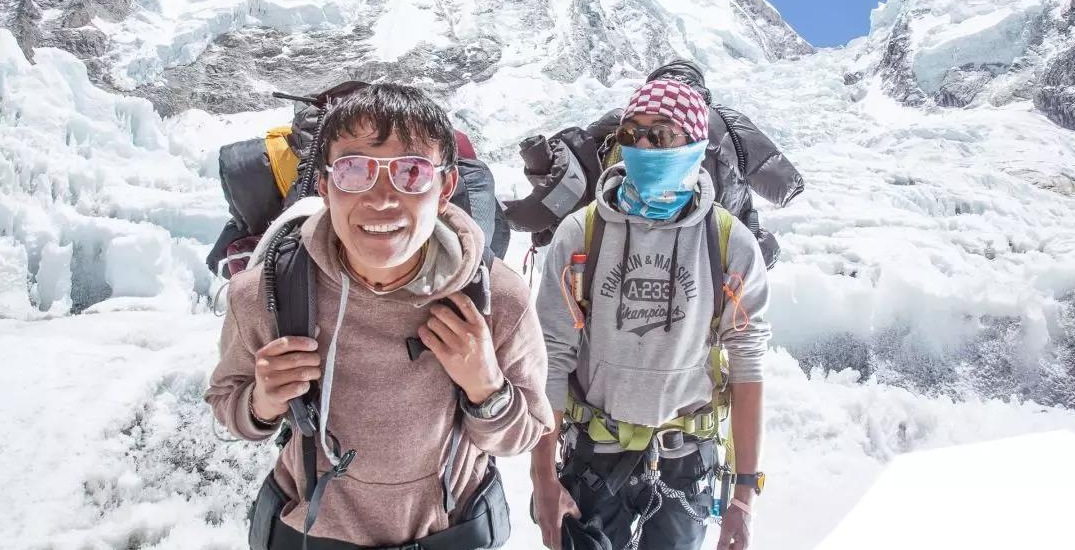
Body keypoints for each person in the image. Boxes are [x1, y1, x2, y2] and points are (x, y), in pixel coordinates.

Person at [206, 83, 554, 549]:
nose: (382, 199)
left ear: (445, 188)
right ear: (325, 186)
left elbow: (523, 435)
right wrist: (262, 402)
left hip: (447, 533)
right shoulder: (267, 291)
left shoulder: (498, 298)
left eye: (411, 172)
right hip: (314, 534)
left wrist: (487, 389)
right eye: (354, 170)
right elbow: (227, 401)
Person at [530, 77, 772, 550]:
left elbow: (748, 364)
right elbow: (552, 358)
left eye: (660, 135)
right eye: (630, 134)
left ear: (695, 144)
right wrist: (543, 478)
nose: (642, 147)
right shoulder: (580, 234)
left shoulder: (730, 243)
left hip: (686, 460)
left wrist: (745, 494)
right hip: (594, 454)